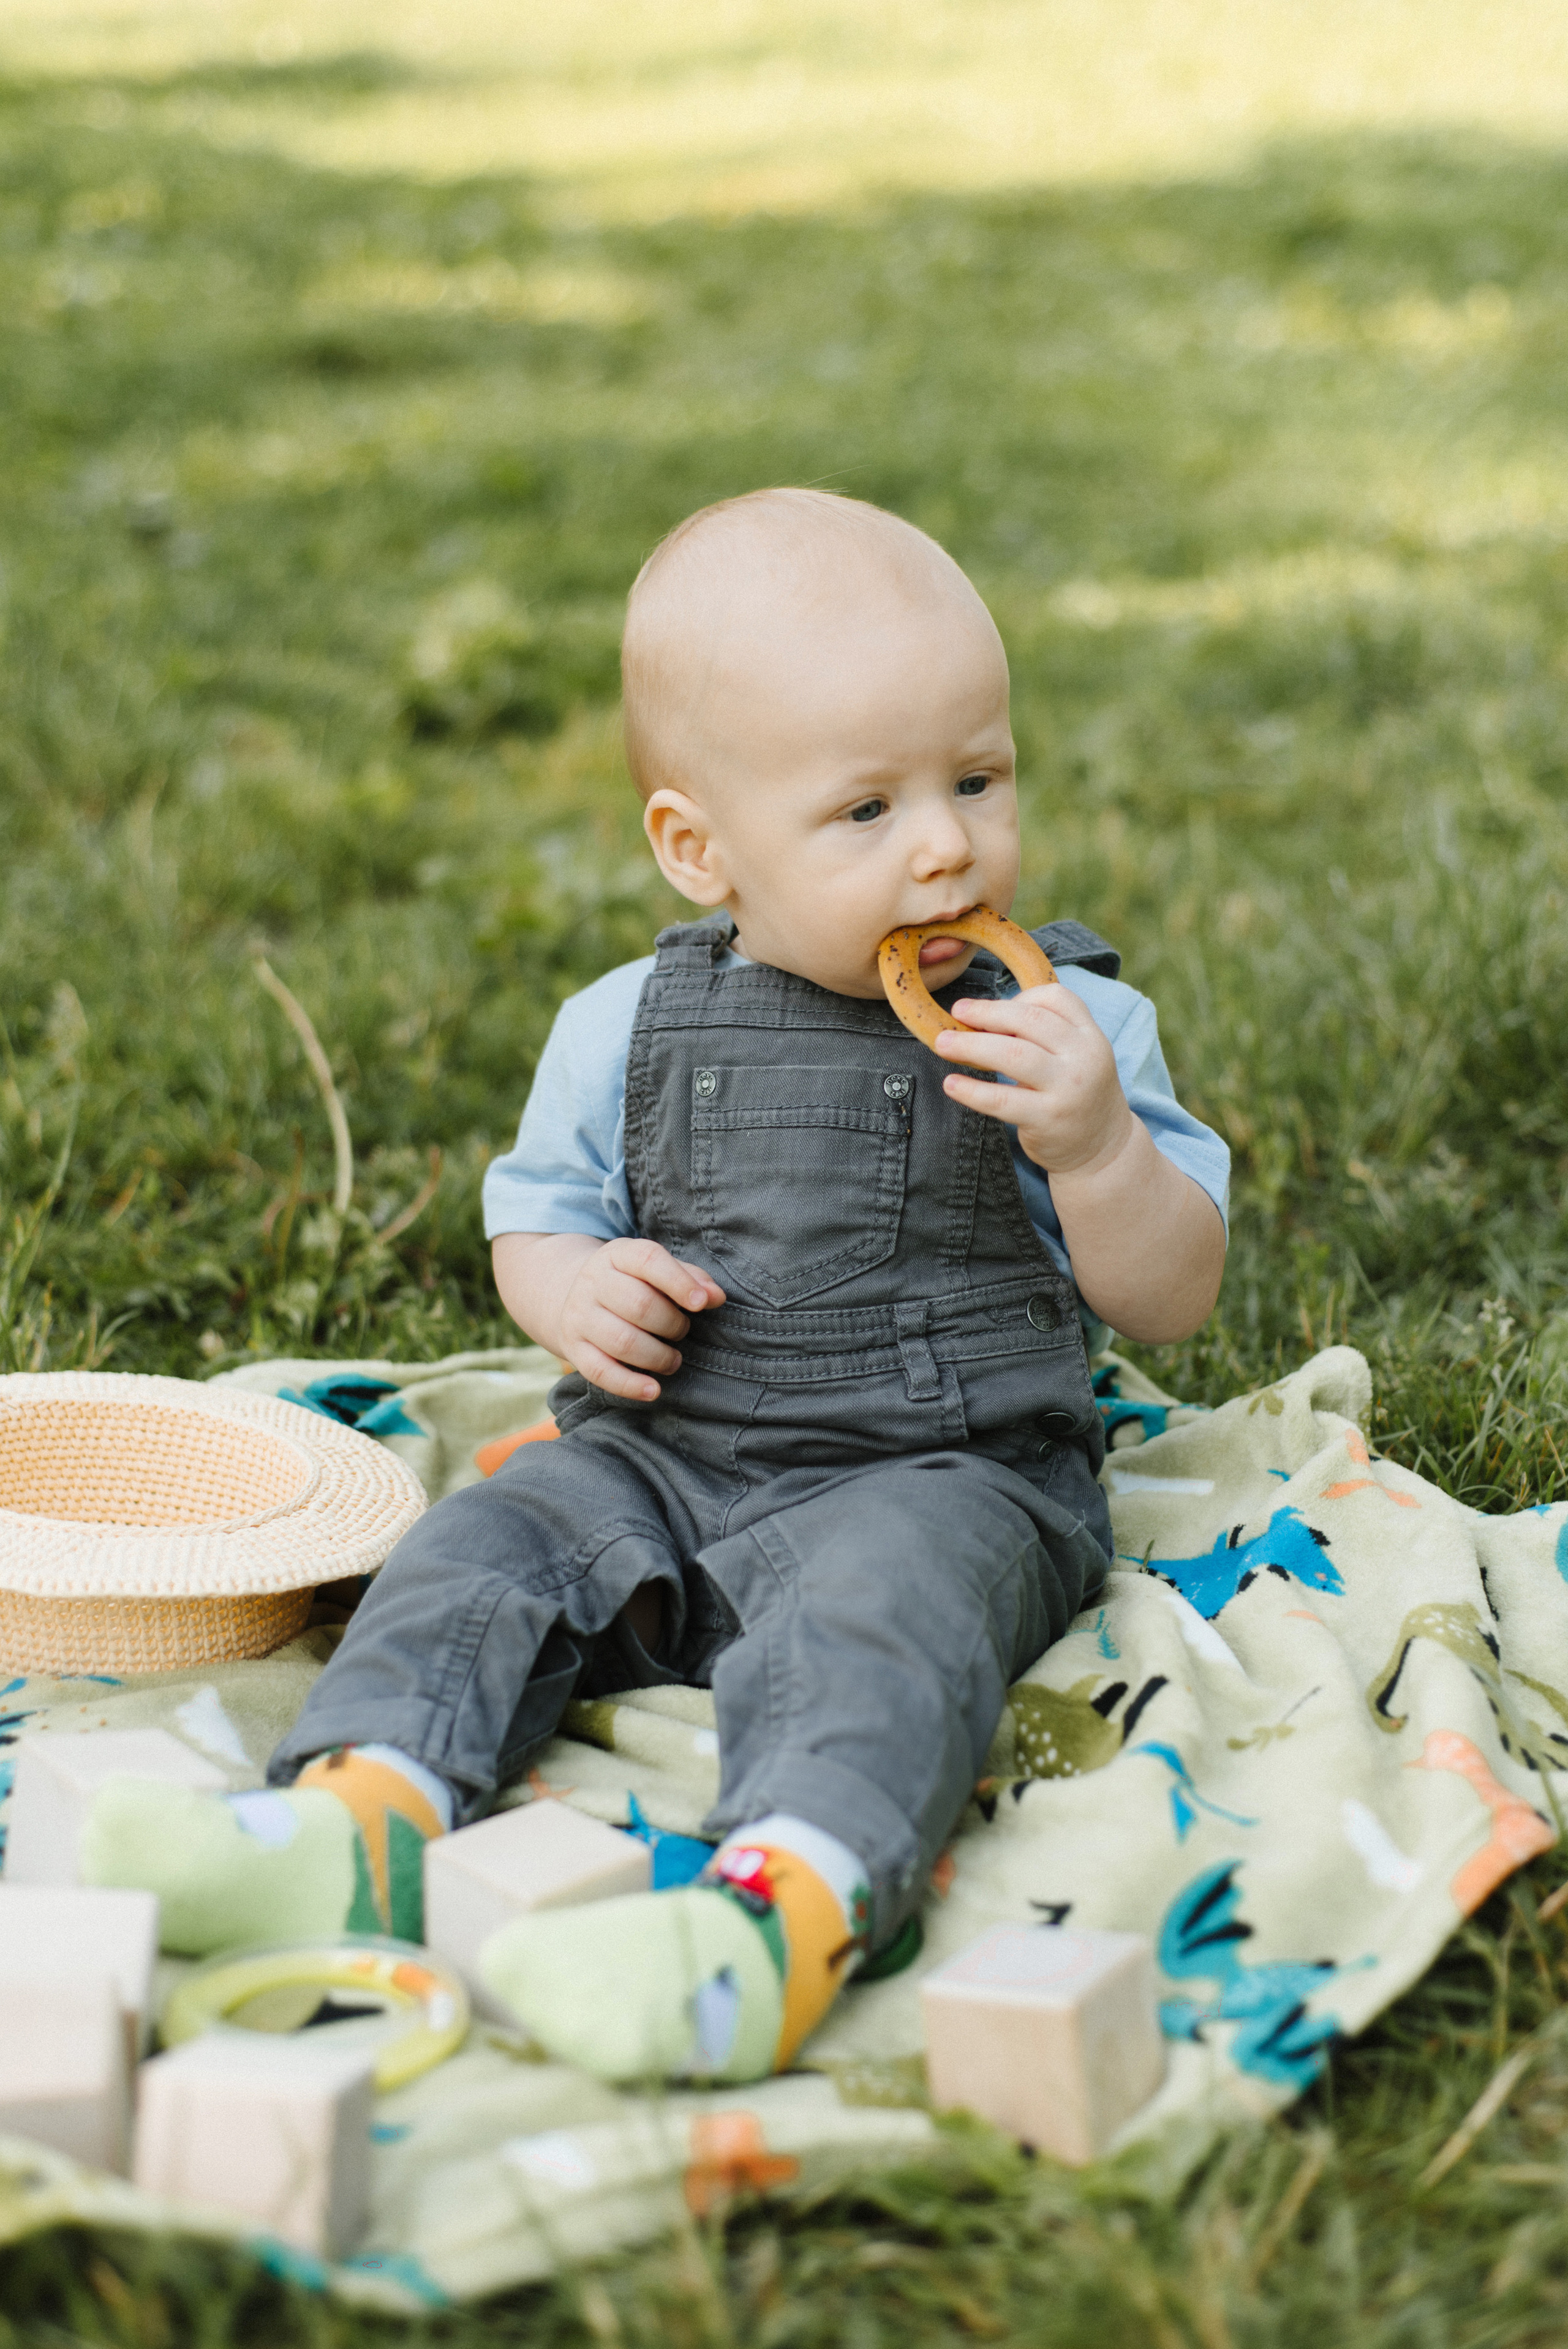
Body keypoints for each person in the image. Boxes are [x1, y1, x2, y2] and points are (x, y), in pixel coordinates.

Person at [88, 490, 1228, 2085]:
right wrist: (572, 1291)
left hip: (947, 1472)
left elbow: (1173, 1295)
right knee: (486, 1542)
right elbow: (534, 1224)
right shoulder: (624, 1027)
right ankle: (360, 1812)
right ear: (700, 849)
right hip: (665, 1456)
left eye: (978, 778)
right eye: (867, 809)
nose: (947, 843)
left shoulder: (1071, 1036)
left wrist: (1098, 1149)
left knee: (891, 1619)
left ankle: (780, 1913)